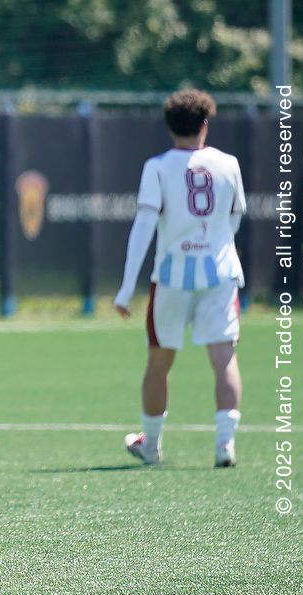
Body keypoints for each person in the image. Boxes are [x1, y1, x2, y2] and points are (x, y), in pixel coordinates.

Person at [115, 89, 246, 468]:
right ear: (205, 124)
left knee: (159, 360)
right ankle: (224, 444)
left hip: (171, 277)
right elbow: (235, 217)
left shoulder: (157, 167)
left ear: (170, 127)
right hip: (220, 274)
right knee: (223, 357)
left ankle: (151, 445)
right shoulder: (228, 164)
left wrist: (126, 288)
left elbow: (143, 227)